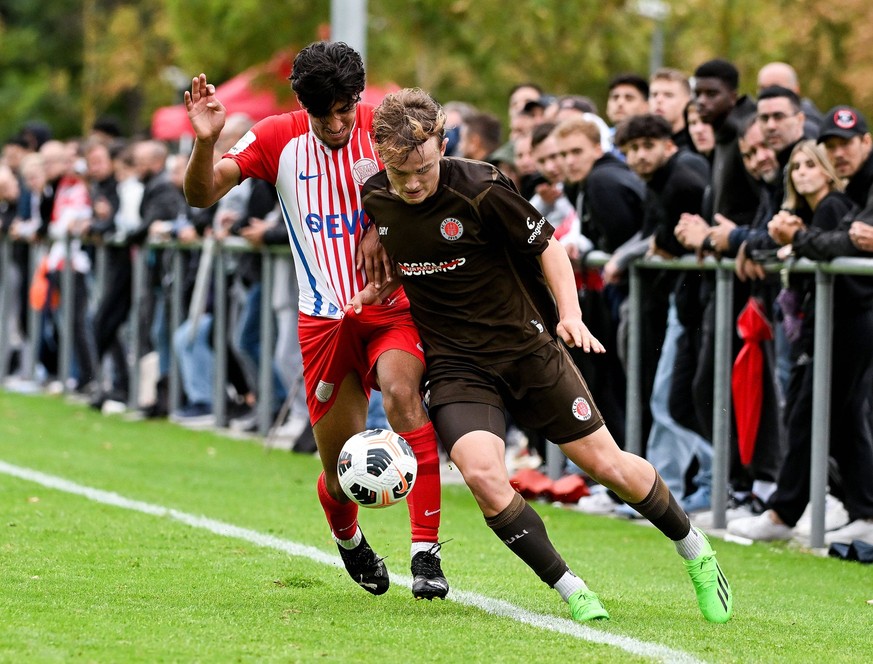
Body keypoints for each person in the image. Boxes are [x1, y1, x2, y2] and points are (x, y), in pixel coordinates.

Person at [355, 87, 733, 624]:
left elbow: (550, 247)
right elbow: (391, 249)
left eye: (423, 169)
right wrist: (370, 286)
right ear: (381, 159)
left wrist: (570, 314)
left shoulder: (482, 188)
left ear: (442, 144)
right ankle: (572, 588)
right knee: (485, 477)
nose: (413, 184)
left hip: (527, 351)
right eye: (400, 174)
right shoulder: (376, 197)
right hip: (458, 366)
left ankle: (695, 548)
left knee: (608, 466)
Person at [182, 41, 448, 600]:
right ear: (302, 104)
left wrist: (385, 224)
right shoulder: (278, 138)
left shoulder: (385, 125)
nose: (336, 122)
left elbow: (432, 183)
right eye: (322, 112)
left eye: (345, 109)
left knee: (403, 396)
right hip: (323, 324)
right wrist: (206, 144)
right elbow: (202, 194)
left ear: (358, 99)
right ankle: (349, 539)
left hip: (390, 308)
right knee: (339, 471)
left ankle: (426, 553)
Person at [730, 137, 873, 544]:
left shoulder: (832, 207)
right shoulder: (804, 212)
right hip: (827, 327)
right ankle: (864, 509)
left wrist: (796, 240)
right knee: (843, 422)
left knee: (806, 415)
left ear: (828, 169)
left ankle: (782, 513)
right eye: (796, 167)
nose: (802, 173)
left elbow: (831, 256)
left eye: (811, 164)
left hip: (845, 327)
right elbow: (774, 244)